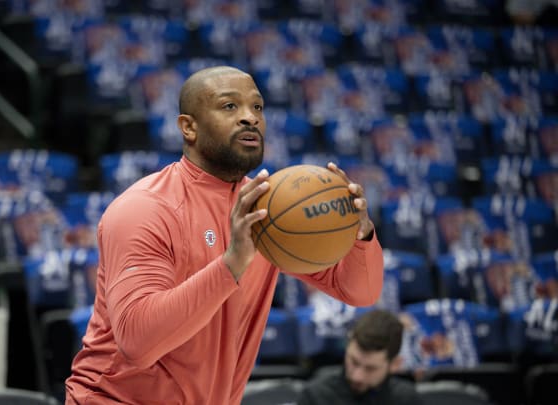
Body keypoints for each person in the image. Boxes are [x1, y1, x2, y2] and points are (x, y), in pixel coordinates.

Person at [65, 66, 384, 404]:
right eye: (229, 106)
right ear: (189, 127)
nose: (250, 118)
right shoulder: (144, 209)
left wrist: (360, 232)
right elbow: (137, 343)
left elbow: (360, 291)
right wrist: (232, 263)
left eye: (257, 107)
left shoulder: (270, 212)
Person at [297, 309, 421, 405]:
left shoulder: (407, 399)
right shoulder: (315, 396)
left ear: (395, 364)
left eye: (370, 368)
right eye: (354, 362)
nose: (357, 376)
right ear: (347, 348)